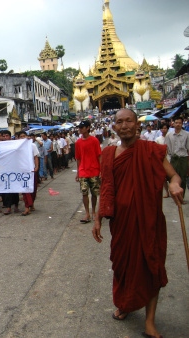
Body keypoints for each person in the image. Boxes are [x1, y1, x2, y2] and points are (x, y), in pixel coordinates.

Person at [92, 108, 183, 338]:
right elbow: (106, 189)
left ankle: (150, 322)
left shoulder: (152, 151)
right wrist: (97, 217)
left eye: (128, 121)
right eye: (119, 122)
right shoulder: (110, 154)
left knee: (152, 267)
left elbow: (173, 175)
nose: (124, 126)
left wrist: (173, 183)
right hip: (121, 224)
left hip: (149, 221)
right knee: (123, 266)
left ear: (137, 124)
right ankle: (125, 303)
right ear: (113, 127)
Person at [75, 120, 101, 223]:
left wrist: (101, 170)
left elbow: (99, 155)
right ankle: (87, 213)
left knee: (94, 193)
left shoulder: (94, 140)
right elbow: (78, 158)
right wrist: (78, 172)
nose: (80, 129)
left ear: (88, 128)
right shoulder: (78, 142)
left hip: (94, 170)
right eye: (79, 128)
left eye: (82, 127)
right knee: (84, 192)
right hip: (83, 171)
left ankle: (94, 212)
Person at [165, 115, 189, 200]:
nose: (178, 124)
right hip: (173, 158)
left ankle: (181, 197)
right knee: (172, 177)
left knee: (182, 178)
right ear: (173, 124)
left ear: (182, 124)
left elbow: (188, 149)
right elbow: (166, 148)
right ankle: (174, 195)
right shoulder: (169, 135)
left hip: (183, 158)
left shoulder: (186, 134)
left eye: (180, 123)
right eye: (176, 123)